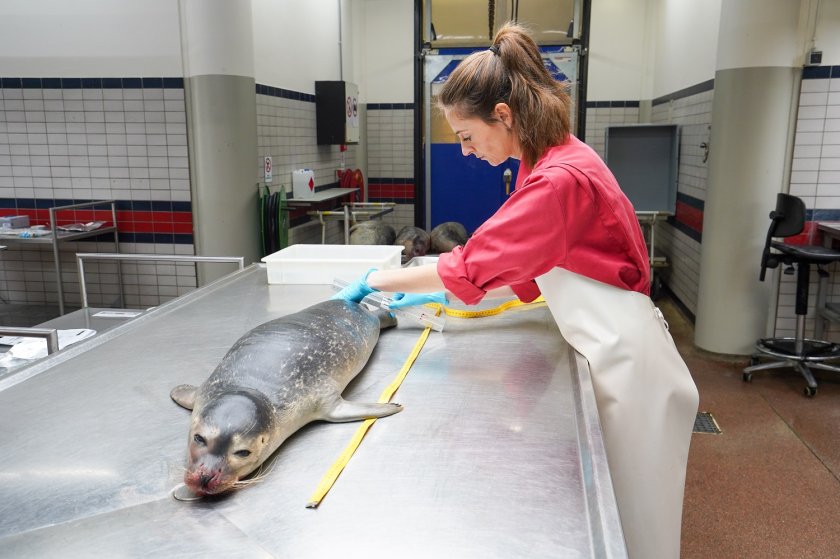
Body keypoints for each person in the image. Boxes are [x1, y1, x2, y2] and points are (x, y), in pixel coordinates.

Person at [333, 22, 699, 559]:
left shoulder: (558, 180)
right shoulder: (551, 159)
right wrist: (442, 294)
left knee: (636, 531)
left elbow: (476, 261)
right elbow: (516, 262)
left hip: (631, 367)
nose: (465, 152)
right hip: (613, 349)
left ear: (503, 115)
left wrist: (377, 279)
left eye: (466, 136)